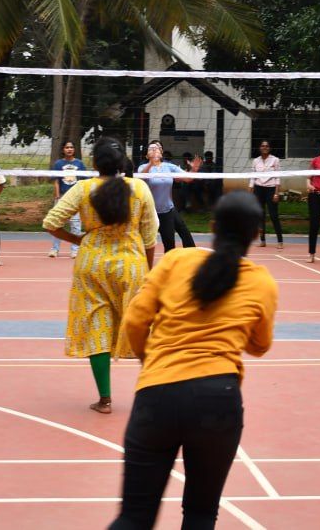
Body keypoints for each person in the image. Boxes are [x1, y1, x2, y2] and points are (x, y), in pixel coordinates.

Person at [111, 191, 279, 529]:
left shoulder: (177, 260)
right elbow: (260, 346)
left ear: (213, 227)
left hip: (156, 395)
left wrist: (151, 360)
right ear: (256, 234)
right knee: (201, 514)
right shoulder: (262, 282)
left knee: (134, 516)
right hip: (219, 400)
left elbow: (134, 321)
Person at [43, 137, 158, 415]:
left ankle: (104, 400)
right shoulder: (139, 188)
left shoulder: (83, 189)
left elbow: (50, 222)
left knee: (98, 330)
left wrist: (78, 239)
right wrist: (149, 272)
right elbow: (149, 237)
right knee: (142, 329)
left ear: (94, 163)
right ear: (123, 163)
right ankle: (155, 395)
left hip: (92, 266)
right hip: (130, 265)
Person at [139, 140, 195, 252]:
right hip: (149, 213)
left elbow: (188, 178)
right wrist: (151, 162)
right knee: (145, 245)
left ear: (161, 153)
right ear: (147, 155)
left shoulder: (169, 166)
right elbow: (141, 178)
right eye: (151, 148)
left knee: (170, 246)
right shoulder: (143, 167)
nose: (154, 149)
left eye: (157, 148)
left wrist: (194, 169)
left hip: (166, 212)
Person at [49, 140, 87, 258]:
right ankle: (55, 249)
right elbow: (56, 181)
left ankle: (75, 249)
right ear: (63, 150)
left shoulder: (79, 164)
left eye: (71, 147)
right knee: (57, 223)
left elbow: (84, 180)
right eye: (67, 147)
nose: (69, 149)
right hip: (62, 197)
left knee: (75, 225)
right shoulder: (58, 164)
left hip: (76, 198)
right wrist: (57, 196)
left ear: (74, 149)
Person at [249, 140, 283, 249]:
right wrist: (250, 193)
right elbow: (252, 178)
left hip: (271, 189)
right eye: (262, 146)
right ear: (260, 148)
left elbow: (277, 177)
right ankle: (262, 240)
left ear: (269, 148)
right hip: (258, 189)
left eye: (267, 146)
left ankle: (280, 241)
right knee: (260, 216)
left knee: (274, 215)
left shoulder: (275, 160)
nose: (264, 147)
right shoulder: (255, 161)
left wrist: (276, 193)